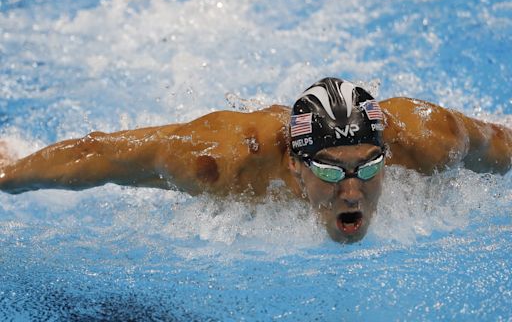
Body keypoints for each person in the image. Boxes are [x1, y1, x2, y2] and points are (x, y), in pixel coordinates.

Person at [0, 77, 511, 242]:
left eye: (369, 168)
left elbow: (502, 143)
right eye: (330, 171)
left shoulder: (431, 137)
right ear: (293, 163)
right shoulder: (218, 162)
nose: (352, 191)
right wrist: (9, 175)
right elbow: (102, 154)